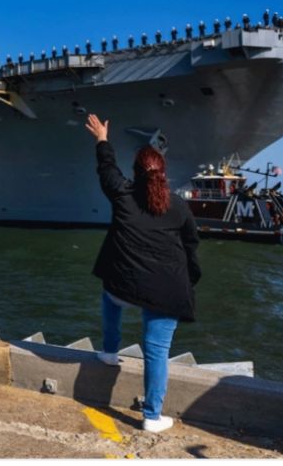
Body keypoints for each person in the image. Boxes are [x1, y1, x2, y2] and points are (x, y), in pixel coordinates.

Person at [84, 114, 201, 433]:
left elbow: (107, 170)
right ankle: (152, 416)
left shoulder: (122, 195)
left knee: (110, 297)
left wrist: (102, 139)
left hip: (124, 283)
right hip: (166, 290)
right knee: (157, 351)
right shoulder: (178, 206)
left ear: (136, 173)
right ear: (163, 174)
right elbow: (191, 242)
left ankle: (109, 351)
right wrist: (191, 274)